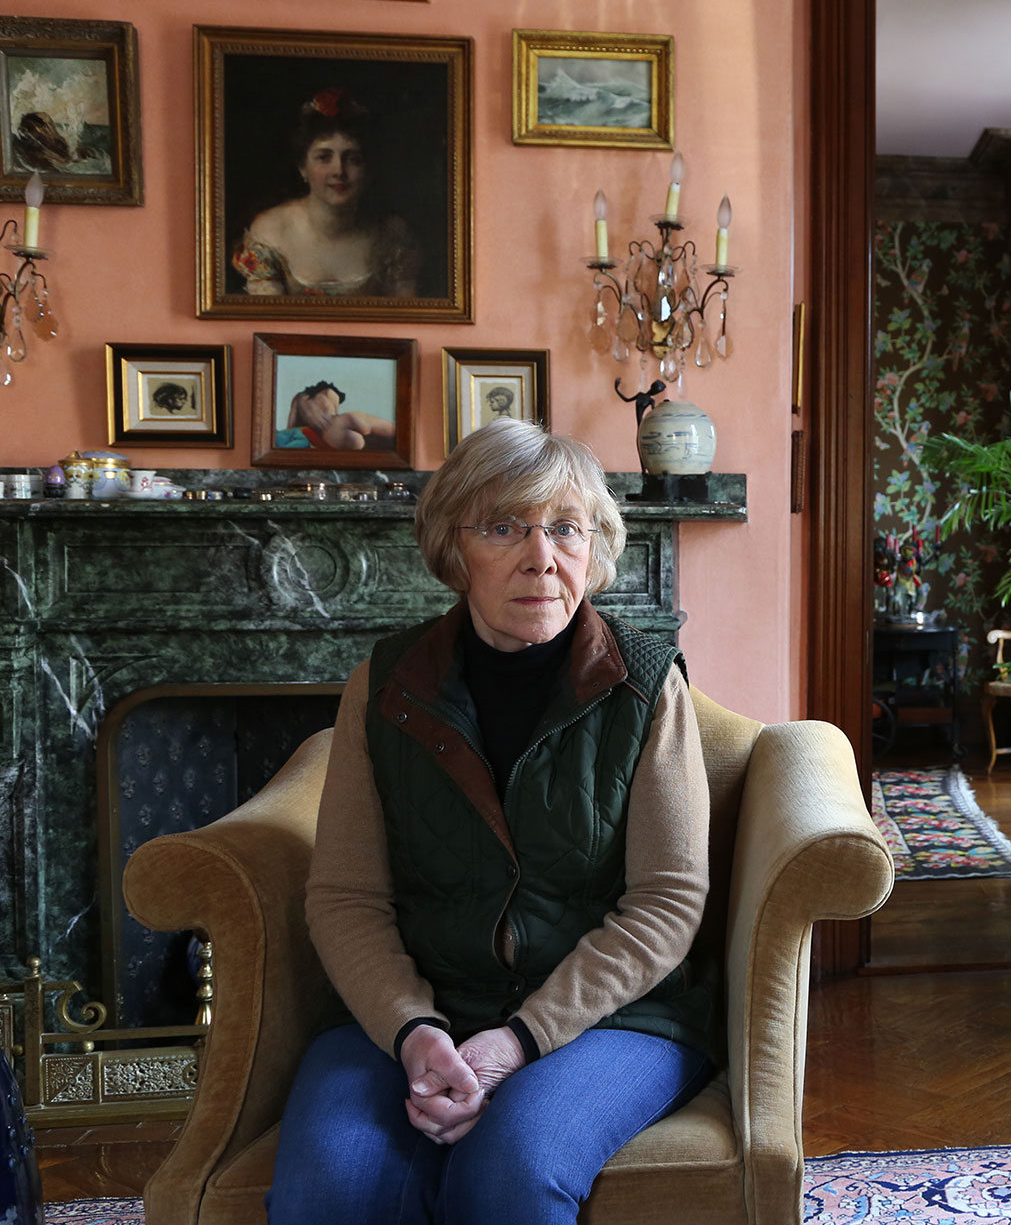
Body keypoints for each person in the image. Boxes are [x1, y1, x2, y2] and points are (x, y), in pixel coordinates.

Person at [269, 419, 715, 1224]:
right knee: (329, 1185)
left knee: (509, 1170)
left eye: (565, 529)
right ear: (453, 548)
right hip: (418, 1008)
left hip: (610, 1020)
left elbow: (667, 904)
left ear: (595, 547)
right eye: (505, 528)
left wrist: (519, 1040)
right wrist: (413, 1031)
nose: (541, 557)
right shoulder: (386, 685)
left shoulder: (646, 687)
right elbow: (344, 897)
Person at [232, 87, 420, 297]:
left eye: (353, 159)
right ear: (303, 167)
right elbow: (265, 323)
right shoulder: (271, 232)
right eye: (324, 157)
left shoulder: (393, 236)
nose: (339, 171)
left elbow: (404, 321)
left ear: (367, 171)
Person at [271, 380, 397, 452]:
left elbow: (290, 427)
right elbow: (335, 414)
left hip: (332, 433)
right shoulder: (329, 392)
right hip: (343, 421)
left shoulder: (298, 398)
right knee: (396, 437)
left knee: (363, 443)